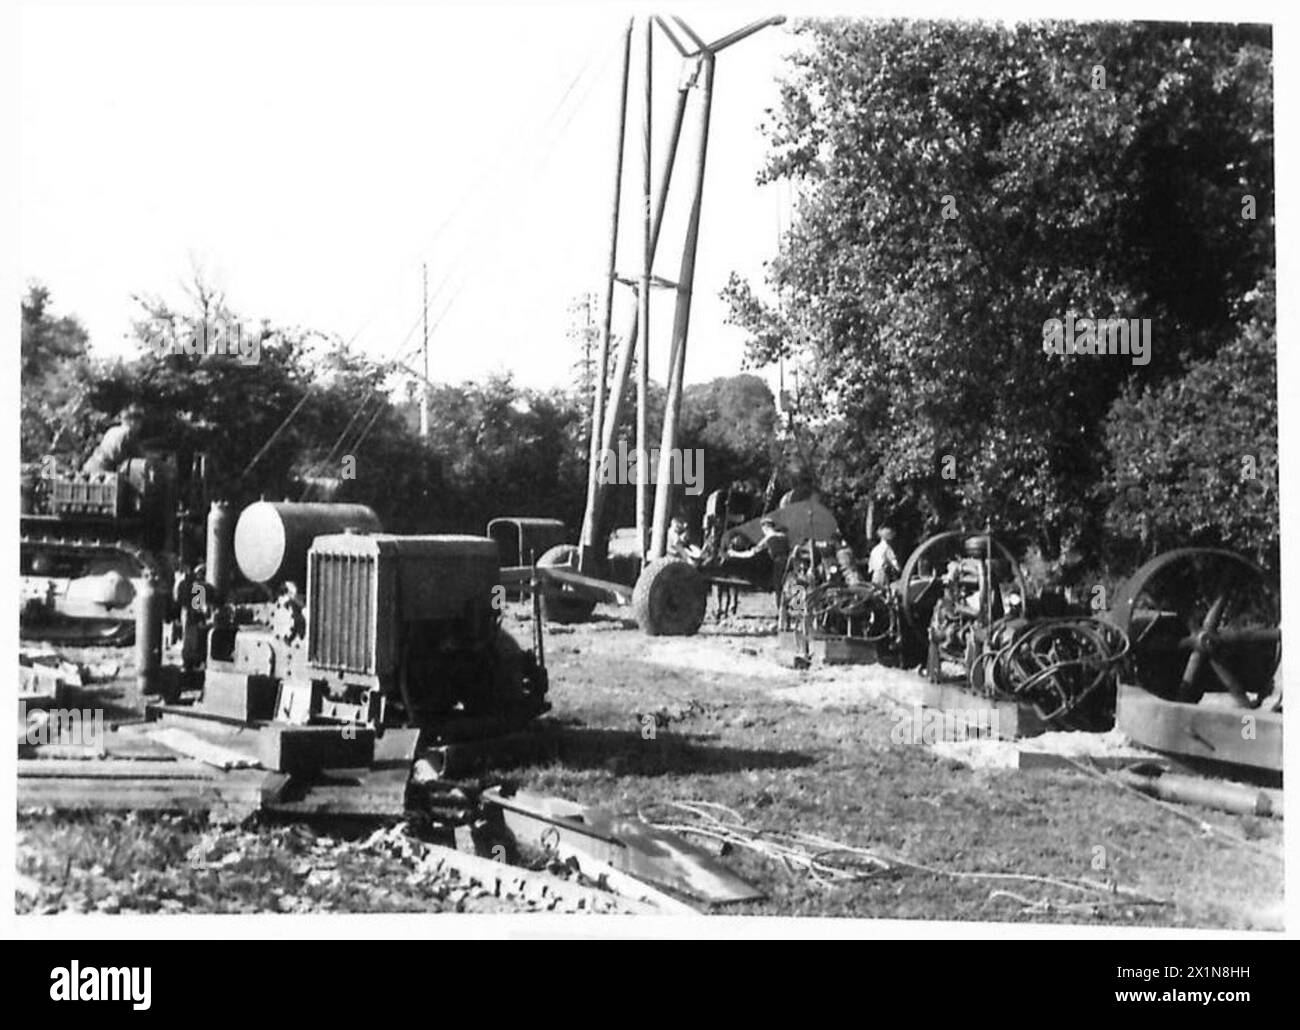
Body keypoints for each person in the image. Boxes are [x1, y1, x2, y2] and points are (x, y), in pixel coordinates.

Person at [729, 517, 792, 602]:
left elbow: (750, 554)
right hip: (788, 564)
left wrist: (734, 554)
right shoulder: (784, 536)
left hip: (778, 565)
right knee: (788, 587)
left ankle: (782, 612)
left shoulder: (768, 538)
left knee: (778, 590)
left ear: (765, 527)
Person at [82, 403, 145, 473]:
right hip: (103, 473)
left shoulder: (112, 430)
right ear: (133, 421)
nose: (140, 425)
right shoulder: (128, 434)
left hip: (90, 466)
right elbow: (141, 460)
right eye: (139, 421)